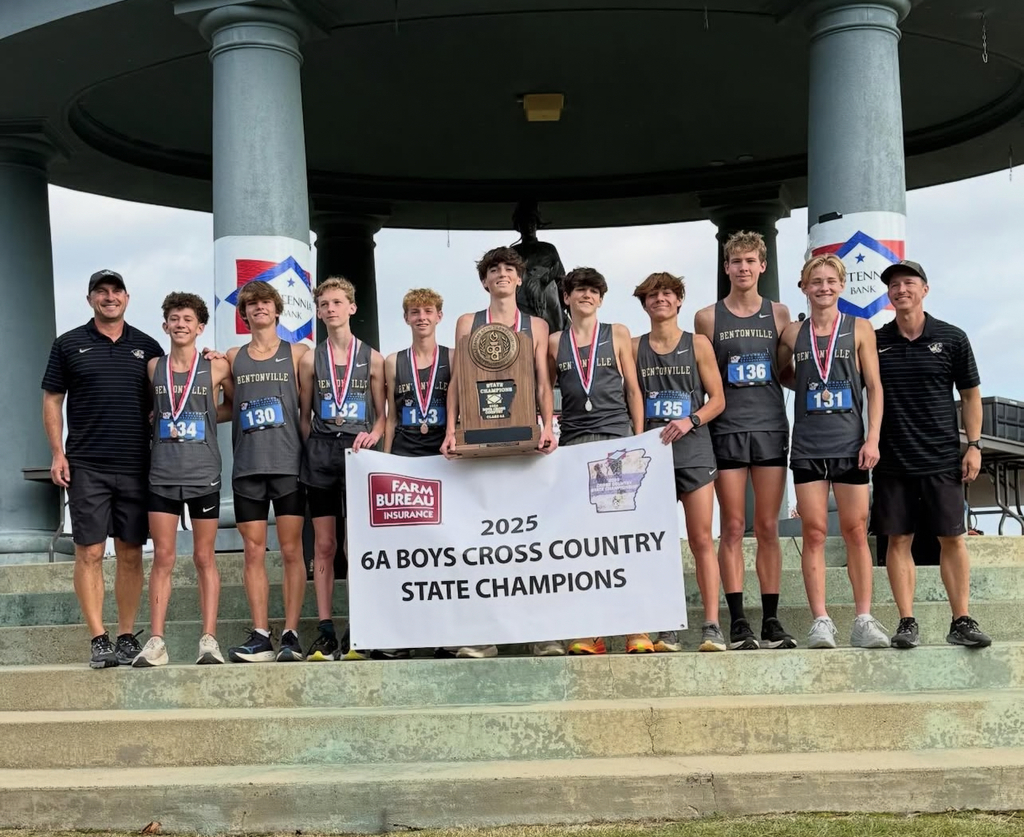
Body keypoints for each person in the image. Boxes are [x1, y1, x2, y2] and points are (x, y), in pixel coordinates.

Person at [42, 269, 164, 668]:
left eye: (116, 292)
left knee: (130, 553)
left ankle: (127, 635)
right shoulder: (68, 344)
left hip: (136, 464)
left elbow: (168, 393)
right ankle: (99, 638)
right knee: (90, 552)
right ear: (90, 298)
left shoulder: (148, 346)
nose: (109, 298)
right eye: (101, 292)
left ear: (127, 298)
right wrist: (58, 454)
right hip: (86, 466)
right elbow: (52, 401)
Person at [440, 246, 558, 658]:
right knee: (482, 542)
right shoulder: (467, 322)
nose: (503, 275)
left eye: (509, 269)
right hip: (480, 441)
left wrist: (549, 423)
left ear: (520, 278)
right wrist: (451, 429)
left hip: (525, 440)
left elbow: (543, 380)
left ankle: (542, 633)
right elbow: (456, 380)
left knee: (531, 541)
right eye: (494, 270)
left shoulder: (537, 325)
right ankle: (481, 634)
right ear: (484, 280)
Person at [873, 259, 991, 649]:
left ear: (925, 289)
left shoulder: (952, 338)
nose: (900, 289)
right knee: (898, 540)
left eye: (909, 282)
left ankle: (961, 620)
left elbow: (971, 395)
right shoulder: (875, 341)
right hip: (891, 459)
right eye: (893, 285)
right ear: (888, 295)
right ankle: (907, 622)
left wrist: (973, 445)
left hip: (942, 457)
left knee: (952, 538)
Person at [778, 255, 889, 649]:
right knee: (814, 532)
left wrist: (872, 438)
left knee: (856, 530)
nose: (823, 287)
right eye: (815, 281)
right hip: (808, 444)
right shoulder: (793, 333)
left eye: (830, 281)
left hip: (849, 443)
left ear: (842, 286)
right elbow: (782, 373)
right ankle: (821, 620)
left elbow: (873, 387)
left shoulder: (860, 328)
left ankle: (863, 618)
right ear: (804, 287)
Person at [694, 231, 796, 651]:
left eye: (750, 261)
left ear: (762, 266)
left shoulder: (780, 313)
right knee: (733, 526)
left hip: (771, 425)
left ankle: (771, 620)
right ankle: (738, 622)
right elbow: (703, 376)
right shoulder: (706, 317)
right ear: (726, 268)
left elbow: (788, 370)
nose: (743, 268)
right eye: (736, 262)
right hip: (727, 429)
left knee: (768, 526)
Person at [546, 266, 644, 656]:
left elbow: (633, 390)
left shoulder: (617, 333)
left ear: (601, 298)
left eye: (592, 291)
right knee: (586, 542)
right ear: (566, 298)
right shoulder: (555, 341)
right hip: (574, 443)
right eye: (578, 290)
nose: (585, 296)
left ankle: (636, 627)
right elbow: (544, 389)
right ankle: (591, 631)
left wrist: (638, 442)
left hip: (615, 441)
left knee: (622, 539)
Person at [132, 293, 233, 667]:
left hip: (203, 472)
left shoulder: (217, 367)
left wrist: (205, 416)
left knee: (204, 556)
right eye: (174, 318)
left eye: (188, 319)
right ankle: (156, 641)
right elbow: (149, 410)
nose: (180, 324)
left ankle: (209, 640)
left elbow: (234, 405)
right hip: (162, 474)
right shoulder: (153, 367)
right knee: (163, 557)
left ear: (200, 327)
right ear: (165, 325)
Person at [632, 271, 726, 653]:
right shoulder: (635, 346)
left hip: (694, 450)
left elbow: (718, 399)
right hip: (653, 455)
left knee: (702, 539)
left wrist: (691, 419)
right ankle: (666, 626)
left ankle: (712, 625)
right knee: (659, 543)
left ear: (679, 301)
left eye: (667, 294)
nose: (660, 301)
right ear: (644, 304)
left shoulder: (698, 344)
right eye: (653, 296)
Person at [299, 276, 385, 662]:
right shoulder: (308, 359)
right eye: (324, 304)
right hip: (321, 451)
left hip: (357, 449)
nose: (330, 309)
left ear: (352, 307)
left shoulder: (374, 358)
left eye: (337, 302)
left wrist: (374, 435)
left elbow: (383, 416)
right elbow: (304, 415)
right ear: (318, 312)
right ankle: (325, 628)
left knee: (355, 544)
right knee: (324, 544)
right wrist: (311, 449)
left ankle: (359, 625)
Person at [225, 280, 310, 663]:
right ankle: (261, 634)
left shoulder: (298, 354)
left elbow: (308, 408)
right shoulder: (230, 357)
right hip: (247, 467)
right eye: (251, 304)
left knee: (292, 549)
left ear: (277, 310)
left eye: (265, 303)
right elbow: (223, 406)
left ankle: (290, 633)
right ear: (243, 314)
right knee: (253, 551)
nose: (259, 308)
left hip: (288, 464)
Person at [383, 288, 452, 660]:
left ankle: (444, 632)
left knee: (442, 549)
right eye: (414, 312)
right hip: (407, 460)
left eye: (428, 311)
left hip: (444, 461)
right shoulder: (394, 362)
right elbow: (391, 415)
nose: (421, 317)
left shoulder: (453, 358)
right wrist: (388, 461)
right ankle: (406, 632)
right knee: (410, 552)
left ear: (439, 316)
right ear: (406, 318)